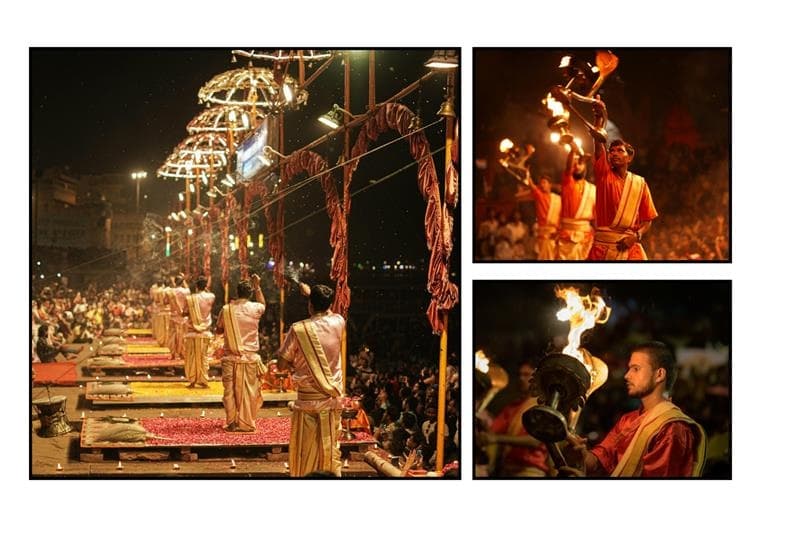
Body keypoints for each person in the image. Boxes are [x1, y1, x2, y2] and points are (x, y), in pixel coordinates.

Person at [567, 342, 706, 477]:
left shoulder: (672, 428)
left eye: (636, 369)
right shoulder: (628, 420)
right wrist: (582, 455)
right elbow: (601, 460)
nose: (627, 375)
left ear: (659, 375)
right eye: (629, 369)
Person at [277, 283, 346, 477]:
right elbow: (329, 312)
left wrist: (293, 364)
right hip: (331, 401)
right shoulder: (339, 322)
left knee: (304, 452)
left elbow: (282, 364)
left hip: (307, 402)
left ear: (310, 306)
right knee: (330, 448)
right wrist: (311, 297)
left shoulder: (298, 329)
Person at [587, 97, 658, 260]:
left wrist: (636, 236)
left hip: (630, 246)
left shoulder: (640, 183)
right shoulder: (604, 173)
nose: (614, 153)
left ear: (629, 158)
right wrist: (598, 117)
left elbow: (648, 220)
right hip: (603, 248)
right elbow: (598, 141)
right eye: (611, 151)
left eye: (620, 150)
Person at [478, 360, 551, 477]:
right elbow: (492, 431)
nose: (521, 378)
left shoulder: (543, 407)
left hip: (530, 471)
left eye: (526, 375)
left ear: (537, 377)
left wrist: (496, 438)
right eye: (520, 375)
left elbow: (535, 441)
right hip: (506, 470)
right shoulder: (512, 407)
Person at [216, 274, 267, 432]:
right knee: (249, 392)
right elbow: (263, 304)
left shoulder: (226, 310)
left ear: (237, 293)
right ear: (250, 293)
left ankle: (231, 422)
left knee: (229, 391)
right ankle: (246, 422)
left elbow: (218, 330)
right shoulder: (256, 308)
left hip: (230, 358)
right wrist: (258, 286)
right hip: (250, 358)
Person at [557, 149, 596, 260]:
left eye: (580, 163)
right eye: (575, 164)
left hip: (586, 236)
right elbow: (568, 166)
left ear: (585, 167)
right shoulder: (567, 182)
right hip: (567, 236)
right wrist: (573, 149)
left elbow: (596, 218)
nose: (577, 166)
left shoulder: (592, 189)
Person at [183, 276, 215, 388]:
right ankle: (204, 380)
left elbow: (184, 313)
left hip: (192, 332)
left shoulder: (190, 299)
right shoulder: (211, 297)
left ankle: (192, 381)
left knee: (191, 357)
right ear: (206, 286)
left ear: (196, 286)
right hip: (205, 332)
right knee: (203, 357)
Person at [522, 175, 561, 260]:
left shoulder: (557, 199)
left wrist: (559, 232)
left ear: (550, 184)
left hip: (555, 235)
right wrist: (528, 176)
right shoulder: (539, 196)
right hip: (543, 235)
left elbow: (560, 217)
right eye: (540, 183)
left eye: (544, 182)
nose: (542, 185)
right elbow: (532, 186)